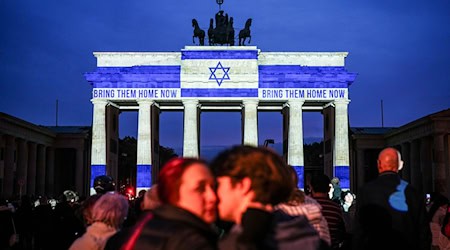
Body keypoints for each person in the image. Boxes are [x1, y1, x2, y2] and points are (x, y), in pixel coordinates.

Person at [210, 145, 320, 249]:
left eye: (217, 185)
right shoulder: (309, 236)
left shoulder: (237, 244)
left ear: (243, 186)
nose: (211, 195)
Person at [105, 157, 218, 250]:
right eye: (200, 188)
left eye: (213, 187)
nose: (213, 197)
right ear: (172, 193)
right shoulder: (195, 243)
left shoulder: (119, 239)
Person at [353, 147, 431, 250]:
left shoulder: (366, 191)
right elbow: (423, 231)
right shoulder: (412, 192)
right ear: (400, 165)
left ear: (378, 164)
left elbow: (359, 231)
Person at [310, 174, 347, 249]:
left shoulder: (303, 207)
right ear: (329, 189)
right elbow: (342, 233)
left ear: (311, 188)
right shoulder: (336, 209)